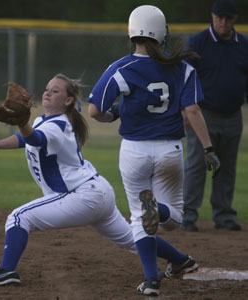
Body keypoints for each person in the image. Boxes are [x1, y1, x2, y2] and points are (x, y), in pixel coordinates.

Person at [87, 5, 220, 297]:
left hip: (134, 151)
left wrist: (114, 115)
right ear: (161, 33)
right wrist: (208, 148)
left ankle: (151, 280)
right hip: (169, 150)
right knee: (172, 221)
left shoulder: (120, 68)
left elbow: (94, 111)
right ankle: (157, 211)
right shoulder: (183, 68)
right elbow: (193, 110)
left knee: (138, 218)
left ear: (132, 32)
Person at [0, 73, 139, 286]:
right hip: (96, 191)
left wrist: (22, 122)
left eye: (55, 91)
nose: (47, 92)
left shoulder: (58, 125)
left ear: (68, 100)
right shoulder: (43, 120)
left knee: (18, 217)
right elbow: (27, 139)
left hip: (82, 195)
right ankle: (181, 261)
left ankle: (6, 271)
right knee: (134, 241)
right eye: (47, 88)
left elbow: (36, 138)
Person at [181, 0, 248, 232]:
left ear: (235, 20)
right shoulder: (198, 42)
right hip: (203, 113)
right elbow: (183, 77)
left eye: (228, 18)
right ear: (212, 16)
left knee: (227, 167)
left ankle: (224, 215)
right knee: (196, 165)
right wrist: (185, 112)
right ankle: (187, 215)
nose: (223, 21)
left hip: (233, 114)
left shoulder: (244, 45)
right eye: (219, 17)